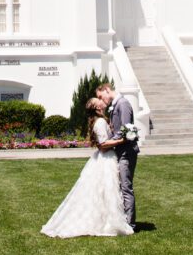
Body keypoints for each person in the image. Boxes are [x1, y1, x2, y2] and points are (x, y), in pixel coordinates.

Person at [40, 97, 134, 238]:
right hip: (106, 158)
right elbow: (102, 146)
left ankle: (105, 220)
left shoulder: (101, 120)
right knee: (107, 190)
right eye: (99, 102)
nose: (102, 102)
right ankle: (107, 222)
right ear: (97, 108)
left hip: (105, 157)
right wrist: (123, 140)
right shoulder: (100, 122)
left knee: (105, 192)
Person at [96, 82, 139, 228]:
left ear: (107, 90)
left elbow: (126, 129)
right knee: (120, 186)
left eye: (101, 97)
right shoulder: (116, 105)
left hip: (127, 151)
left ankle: (130, 224)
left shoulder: (123, 104)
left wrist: (109, 142)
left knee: (126, 186)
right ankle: (123, 219)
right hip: (120, 150)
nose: (102, 101)